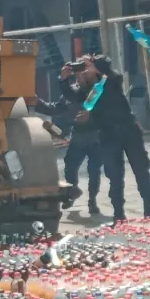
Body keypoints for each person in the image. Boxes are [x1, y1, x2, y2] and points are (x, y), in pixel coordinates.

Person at [81, 54, 150, 223]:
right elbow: (75, 96)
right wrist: (65, 80)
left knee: (141, 169)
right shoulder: (87, 88)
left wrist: (96, 67)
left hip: (128, 130)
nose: (85, 71)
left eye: (87, 67)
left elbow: (112, 74)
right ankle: (119, 214)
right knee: (114, 174)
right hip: (108, 135)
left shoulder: (111, 80)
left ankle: (148, 212)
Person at [35, 61, 103, 213]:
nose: (79, 75)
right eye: (77, 71)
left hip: (96, 136)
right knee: (70, 167)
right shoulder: (71, 91)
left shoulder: (98, 89)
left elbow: (87, 98)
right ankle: (71, 194)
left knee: (94, 171)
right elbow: (55, 108)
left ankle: (92, 201)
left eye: (82, 70)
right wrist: (36, 102)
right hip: (78, 135)